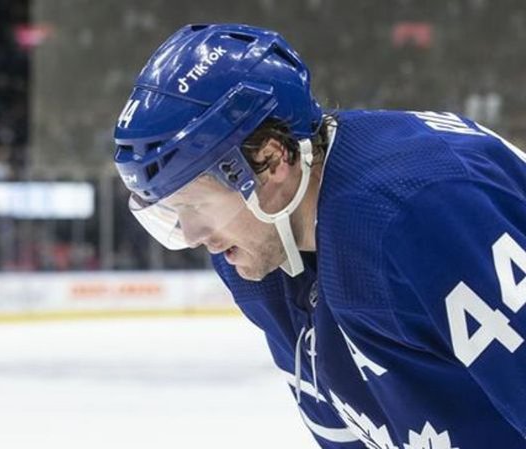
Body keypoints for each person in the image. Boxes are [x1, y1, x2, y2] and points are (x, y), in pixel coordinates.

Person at [113, 24, 526, 448]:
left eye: (197, 206)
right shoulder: (259, 256)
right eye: (174, 212)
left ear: (272, 160)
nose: (194, 235)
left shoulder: (415, 211)